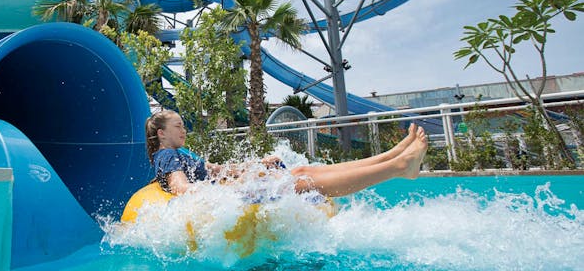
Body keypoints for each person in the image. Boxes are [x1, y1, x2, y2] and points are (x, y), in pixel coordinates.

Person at [145, 110, 427, 198]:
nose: (184, 130)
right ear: (161, 134)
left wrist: (257, 164)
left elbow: (218, 169)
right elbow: (181, 188)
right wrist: (228, 191)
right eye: (178, 126)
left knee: (303, 171)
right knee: (305, 183)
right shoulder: (167, 157)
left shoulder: (182, 154)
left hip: (236, 187)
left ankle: (392, 155)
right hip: (234, 197)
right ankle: (398, 167)